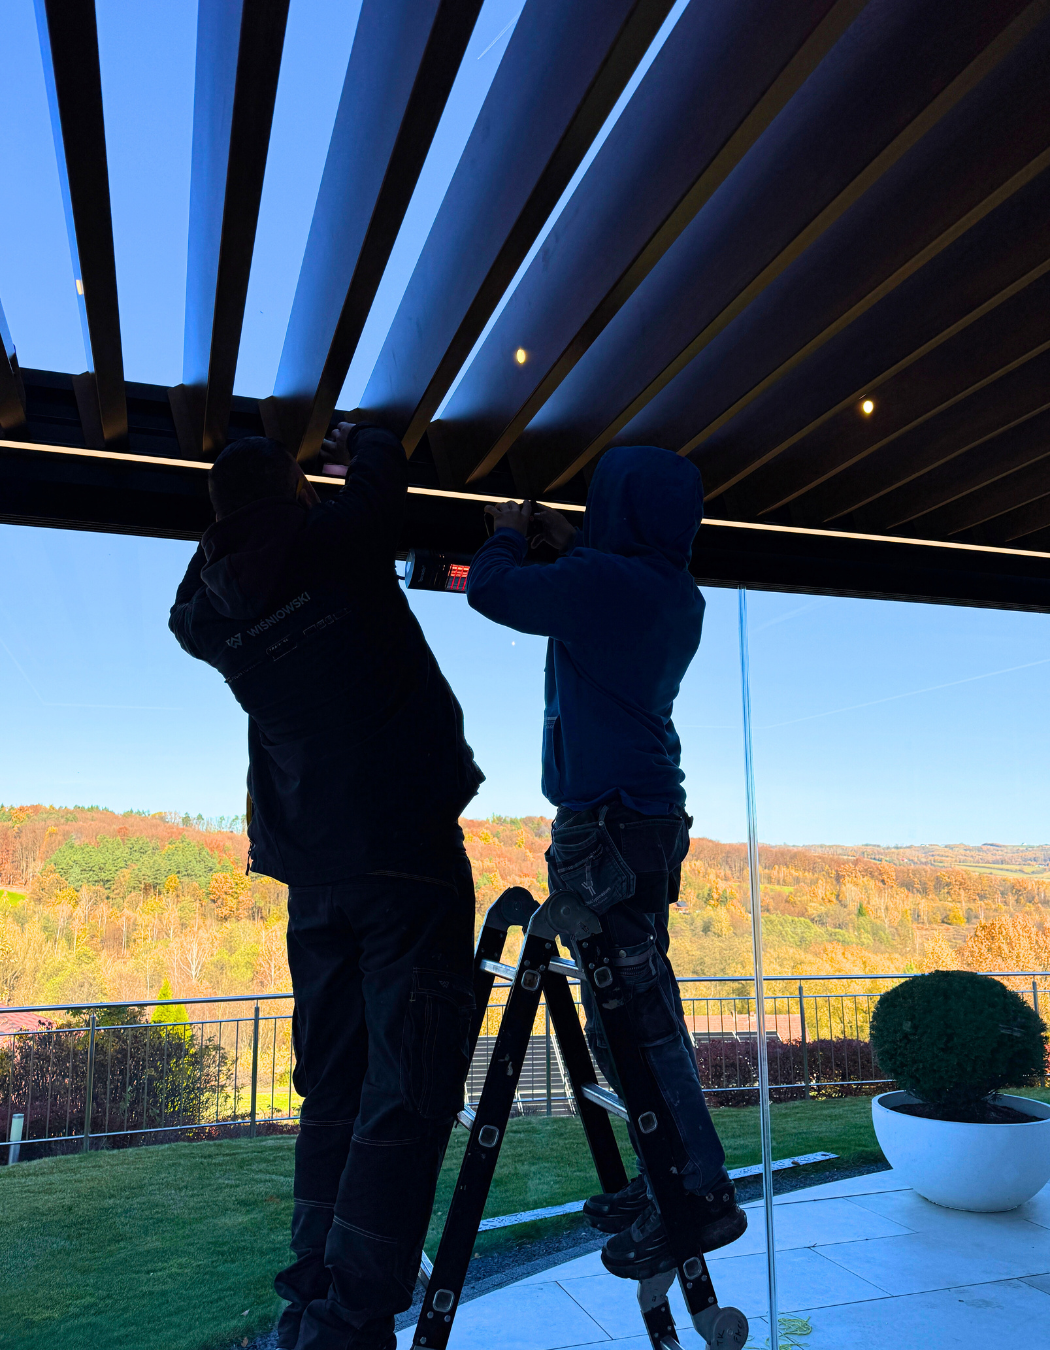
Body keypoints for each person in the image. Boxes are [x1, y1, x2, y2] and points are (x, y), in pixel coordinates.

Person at [169, 424, 484, 1350]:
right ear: (295, 494)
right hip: (406, 856)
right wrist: (367, 440)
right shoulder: (337, 547)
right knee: (406, 1086)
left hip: (316, 876)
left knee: (337, 1091)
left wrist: (255, 516)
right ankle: (350, 1318)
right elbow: (379, 482)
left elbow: (196, 595)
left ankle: (316, 1297)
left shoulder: (211, 617)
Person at [464, 446, 746, 1280]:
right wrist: (569, 541)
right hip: (643, 822)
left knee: (637, 1022)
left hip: (607, 829)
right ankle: (667, 1178)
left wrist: (507, 533)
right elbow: (601, 575)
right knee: (637, 1011)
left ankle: (696, 1192)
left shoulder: (605, 583)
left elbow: (492, 591)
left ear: (618, 508)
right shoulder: (673, 591)